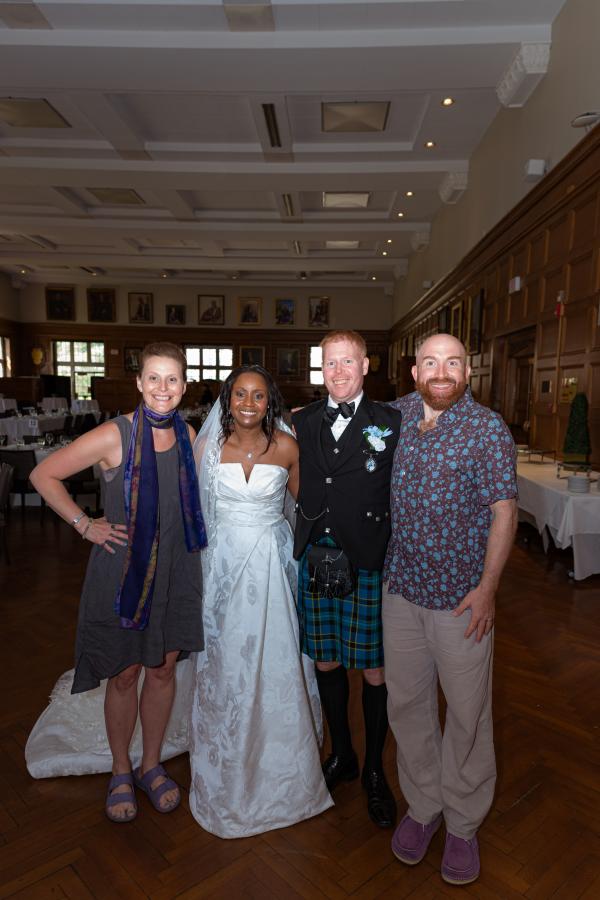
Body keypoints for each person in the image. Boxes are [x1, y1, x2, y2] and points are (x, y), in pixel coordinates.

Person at [27, 342, 206, 823]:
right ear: (139, 382)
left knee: (162, 670)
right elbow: (44, 475)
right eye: (154, 378)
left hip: (175, 570)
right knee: (125, 673)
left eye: (172, 379)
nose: (163, 388)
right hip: (125, 572)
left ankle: (151, 764)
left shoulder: (188, 435)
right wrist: (84, 525)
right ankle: (121, 768)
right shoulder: (115, 434)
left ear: (184, 386)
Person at [383, 333, 517, 885]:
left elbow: (504, 512)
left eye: (453, 362)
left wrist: (488, 589)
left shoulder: (487, 429)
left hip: (463, 601)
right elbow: (338, 421)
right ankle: (423, 806)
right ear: (415, 371)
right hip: (400, 592)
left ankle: (462, 821)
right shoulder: (393, 417)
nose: (442, 372)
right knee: (407, 706)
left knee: (466, 713)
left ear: (468, 371)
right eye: (431, 362)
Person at [189, 365, 332, 838]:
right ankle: (225, 755)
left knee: (276, 658)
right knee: (227, 661)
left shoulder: (288, 447)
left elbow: (307, 507)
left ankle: (283, 762)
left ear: (270, 402)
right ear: (227, 400)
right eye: (240, 394)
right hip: (223, 567)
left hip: (273, 565)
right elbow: (195, 514)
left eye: (258, 396)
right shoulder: (207, 449)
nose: (248, 403)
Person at [292, 330, 402, 829]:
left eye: (347, 362)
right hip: (319, 554)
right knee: (327, 658)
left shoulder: (392, 421)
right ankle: (343, 755)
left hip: (369, 556)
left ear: (365, 366)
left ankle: (376, 769)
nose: (338, 372)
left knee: (375, 668)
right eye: (329, 363)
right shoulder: (301, 421)